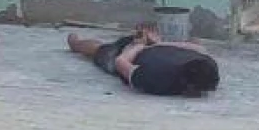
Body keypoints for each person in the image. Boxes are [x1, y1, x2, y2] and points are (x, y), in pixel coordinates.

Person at [66, 23, 220, 97]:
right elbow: (120, 62)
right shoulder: (156, 79)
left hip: (159, 50)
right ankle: (75, 44)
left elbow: (197, 47)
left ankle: (146, 37)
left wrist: (157, 44)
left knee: (195, 41)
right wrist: (138, 46)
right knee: (100, 51)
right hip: (134, 53)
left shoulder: (208, 64)